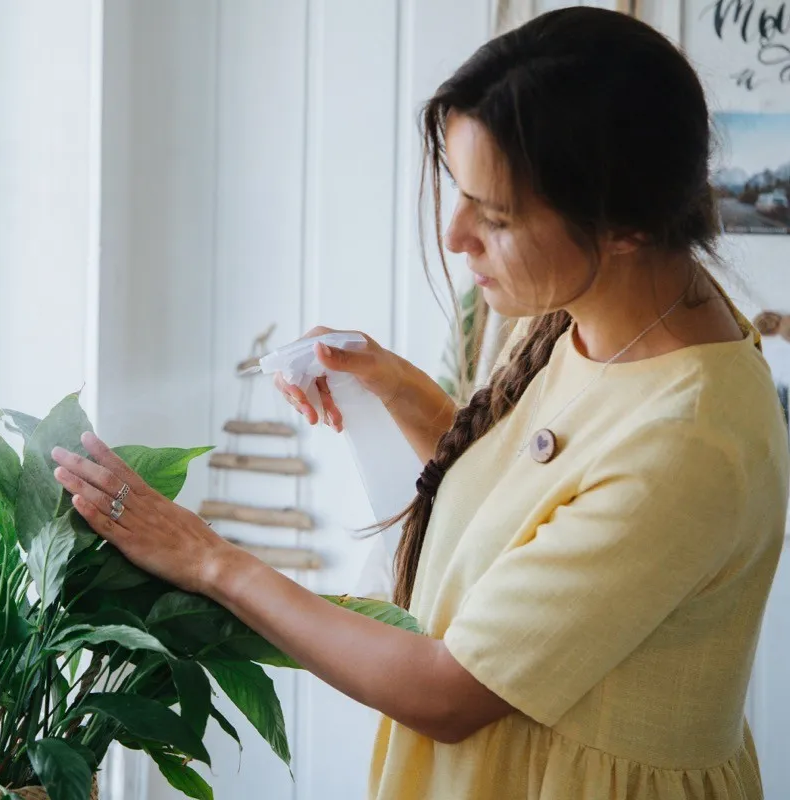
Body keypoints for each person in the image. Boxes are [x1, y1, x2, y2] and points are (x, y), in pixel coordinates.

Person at [51, 7, 788, 799]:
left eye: (496, 216)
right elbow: (528, 507)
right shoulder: (595, 313)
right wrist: (396, 386)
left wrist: (210, 561)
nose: (454, 234)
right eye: (460, 193)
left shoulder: (690, 440)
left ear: (625, 227)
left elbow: (447, 690)